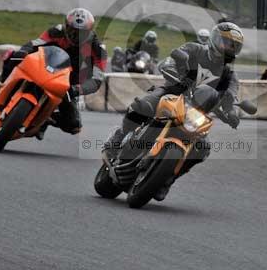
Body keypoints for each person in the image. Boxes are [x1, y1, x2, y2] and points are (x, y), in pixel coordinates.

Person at [102, 22, 244, 201]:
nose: (228, 48)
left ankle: (167, 179)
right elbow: (171, 60)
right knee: (142, 106)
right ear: (215, 39)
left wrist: (232, 112)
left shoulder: (230, 75)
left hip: (196, 112)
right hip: (171, 92)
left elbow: (232, 95)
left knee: (202, 147)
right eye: (226, 42)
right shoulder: (195, 49)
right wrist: (171, 69)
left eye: (233, 46)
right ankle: (118, 139)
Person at [0, 8, 107, 137]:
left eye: (81, 33)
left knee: (74, 126)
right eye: (72, 31)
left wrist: (77, 89)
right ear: (66, 26)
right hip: (46, 66)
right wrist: (24, 51)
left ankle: (46, 119)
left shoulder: (97, 49)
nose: (74, 36)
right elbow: (36, 43)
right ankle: (1, 84)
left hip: (70, 82)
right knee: (14, 55)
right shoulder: (57, 31)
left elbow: (97, 80)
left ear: (89, 32)